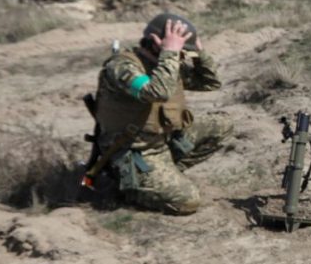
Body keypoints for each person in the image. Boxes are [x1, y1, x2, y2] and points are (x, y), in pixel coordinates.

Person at [92, 13, 221, 214]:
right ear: (154, 43)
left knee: (222, 125)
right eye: (180, 52)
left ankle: (164, 174)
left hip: (164, 141)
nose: (181, 57)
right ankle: (131, 186)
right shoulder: (122, 67)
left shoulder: (165, 64)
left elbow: (210, 83)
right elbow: (156, 92)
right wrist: (170, 53)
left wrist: (199, 53)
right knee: (188, 202)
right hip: (136, 151)